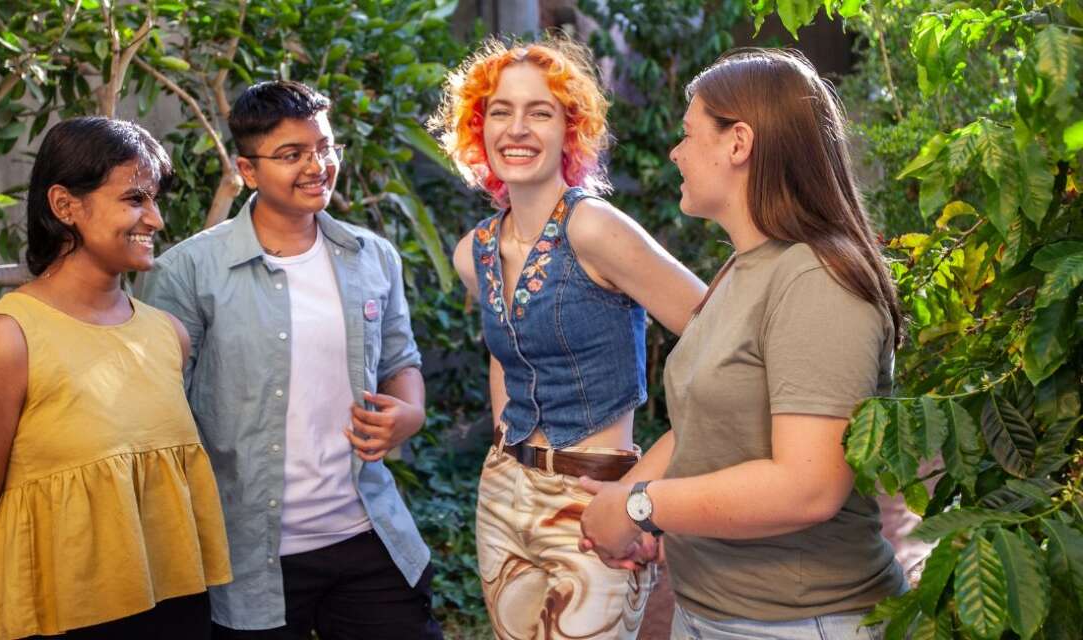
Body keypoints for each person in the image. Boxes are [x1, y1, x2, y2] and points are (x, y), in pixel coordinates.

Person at [578, 48, 907, 640]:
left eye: (687, 134)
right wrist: (625, 501)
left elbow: (807, 488)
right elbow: (706, 425)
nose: (675, 153)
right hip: (711, 612)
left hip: (802, 622)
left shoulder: (815, 279)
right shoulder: (744, 267)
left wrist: (641, 506)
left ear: (739, 143)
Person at [141, 80, 441, 640]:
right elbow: (164, 411)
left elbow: (401, 356)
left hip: (364, 534)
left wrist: (411, 411)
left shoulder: (370, 255)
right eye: (292, 154)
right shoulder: (189, 272)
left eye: (325, 147)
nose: (317, 165)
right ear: (247, 171)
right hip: (248, 554)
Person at [434, 36, 707, 640]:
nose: (517, 128)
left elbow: (723, 342)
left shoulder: (595, 228)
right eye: (500, 111)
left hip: (594, 496)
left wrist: (650, 490)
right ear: (479, 129)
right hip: (504, 492)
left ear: (569, 129)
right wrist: (505, 447)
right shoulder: (472, 252)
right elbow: (506, 353)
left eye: (540, 111)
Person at [0, 117, 231, 640]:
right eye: (135, 198)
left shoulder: (168, 335)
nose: (157, 219)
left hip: (178, 615)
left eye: (155, 199)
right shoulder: (5, 345)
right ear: (65, 205)